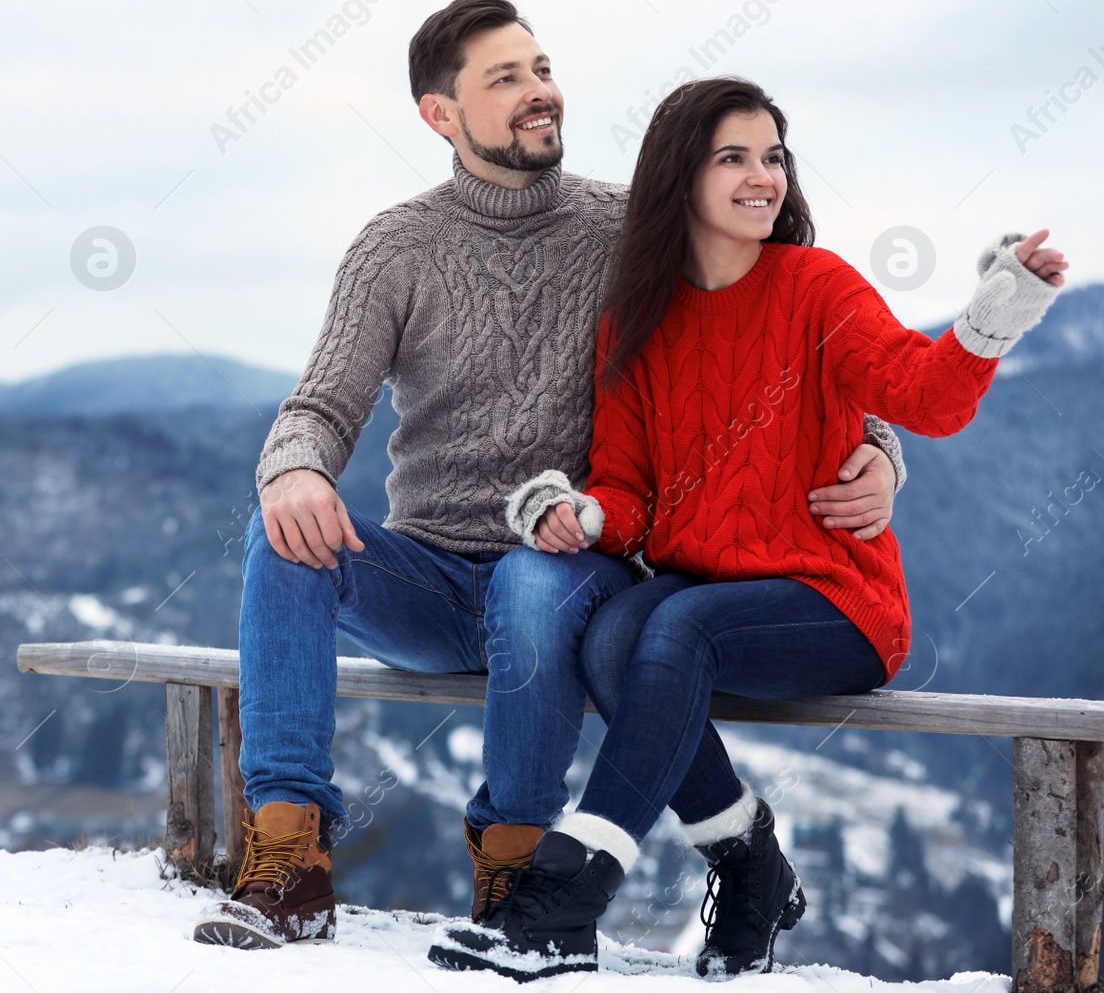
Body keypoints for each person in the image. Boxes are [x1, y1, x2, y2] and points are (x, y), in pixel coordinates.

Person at [194, 0, 908, 951]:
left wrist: (881, 448)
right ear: (439, 114)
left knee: (532, 577)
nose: (540, 93)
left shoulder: (629, 229)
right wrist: (294, 472)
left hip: (575, 568)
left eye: (541, 68)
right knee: (278, 536)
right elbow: (318, 408)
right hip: (436, 580)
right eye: (506, 78)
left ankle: (518, 867)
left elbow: (779, 327)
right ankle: (290, 860)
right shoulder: (395, 248)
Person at [429, 76, 1067, 981]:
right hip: (708, 595)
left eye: (772, 157)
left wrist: (995, 310)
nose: (761, 176)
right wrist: (584, 511)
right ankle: (750, 864)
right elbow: (631, 489)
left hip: (836, 599)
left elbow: (923, 396)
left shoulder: (815, 286)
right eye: (734, 157)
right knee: (614, 634)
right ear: (679, 178)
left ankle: (566, 893)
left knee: (675, 625)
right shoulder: (636, 323)